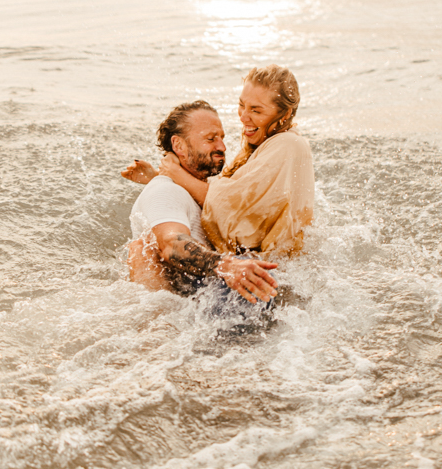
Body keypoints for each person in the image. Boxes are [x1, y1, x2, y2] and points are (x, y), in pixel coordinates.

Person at [124, 65, 314, 262]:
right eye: (242, 105)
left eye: (256, 110)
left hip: (267, 272)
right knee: (141, 249)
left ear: (285, 114)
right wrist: (161, 177)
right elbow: (242, 201)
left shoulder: (287, 144)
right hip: (266, 268)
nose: (243, 117)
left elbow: (236, 211)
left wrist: (174, 173)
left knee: (142, 250)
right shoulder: (269, 144)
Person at [123, 100, 278, 305]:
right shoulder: (165, 191)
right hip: (189, 314)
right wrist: (226, 265)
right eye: (210, 139)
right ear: (178, 145)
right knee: (141, 247)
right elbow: (171, 243)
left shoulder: (204, 191)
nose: (222, 146)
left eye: (222, 138)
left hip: (216, 303)